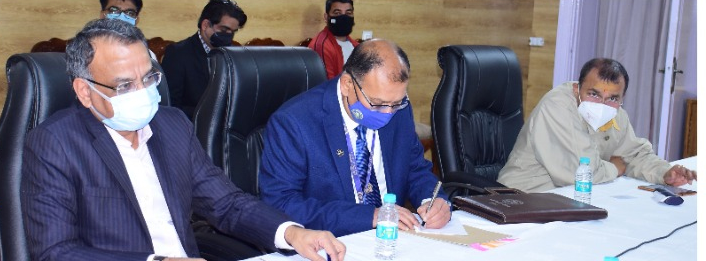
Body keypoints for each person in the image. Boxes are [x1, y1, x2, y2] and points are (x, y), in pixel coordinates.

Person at [21, 19, 346, 261]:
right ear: (84, 91)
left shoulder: (171, 124)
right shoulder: (54, 144)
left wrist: (291, 232)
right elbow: (55, 252)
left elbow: (226, 204)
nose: (143, 93)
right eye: (124, 86)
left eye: (149, 78)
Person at [259, 40, 450, 237]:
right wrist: (368, 216)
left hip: (391, 239)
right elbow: (281, 203)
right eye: (377, 104)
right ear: (347, 84)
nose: (388, 113)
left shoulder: (398, 108)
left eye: (396, 103)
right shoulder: (294, 122)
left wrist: (432, 200)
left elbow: (415, 168)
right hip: (331, 240)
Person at [498, 58, 697, 192]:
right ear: (576, 89)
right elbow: (582, 174)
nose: (602, 104)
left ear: (622, 98)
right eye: (594, 94)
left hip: (570, 199)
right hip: (523, 197)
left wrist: (665, 173)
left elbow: (634, 155)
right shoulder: (558, 106)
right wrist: (616, 168)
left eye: (612, 98)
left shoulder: (615, 113)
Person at [161, 0, 246, 118]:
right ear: (205, 25)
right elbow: (170, 105)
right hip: (191, 124)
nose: (228, 36)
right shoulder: (178, 53)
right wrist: (209, 115)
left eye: (232, 32)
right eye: (224, 29)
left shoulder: (232, 53)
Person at [308, 0, 358, 80]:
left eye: (348, 13)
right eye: (337, 13)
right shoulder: (321, 46)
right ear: (326, 17)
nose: (343, 17)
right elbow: (327, 84)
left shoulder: (356, 46)